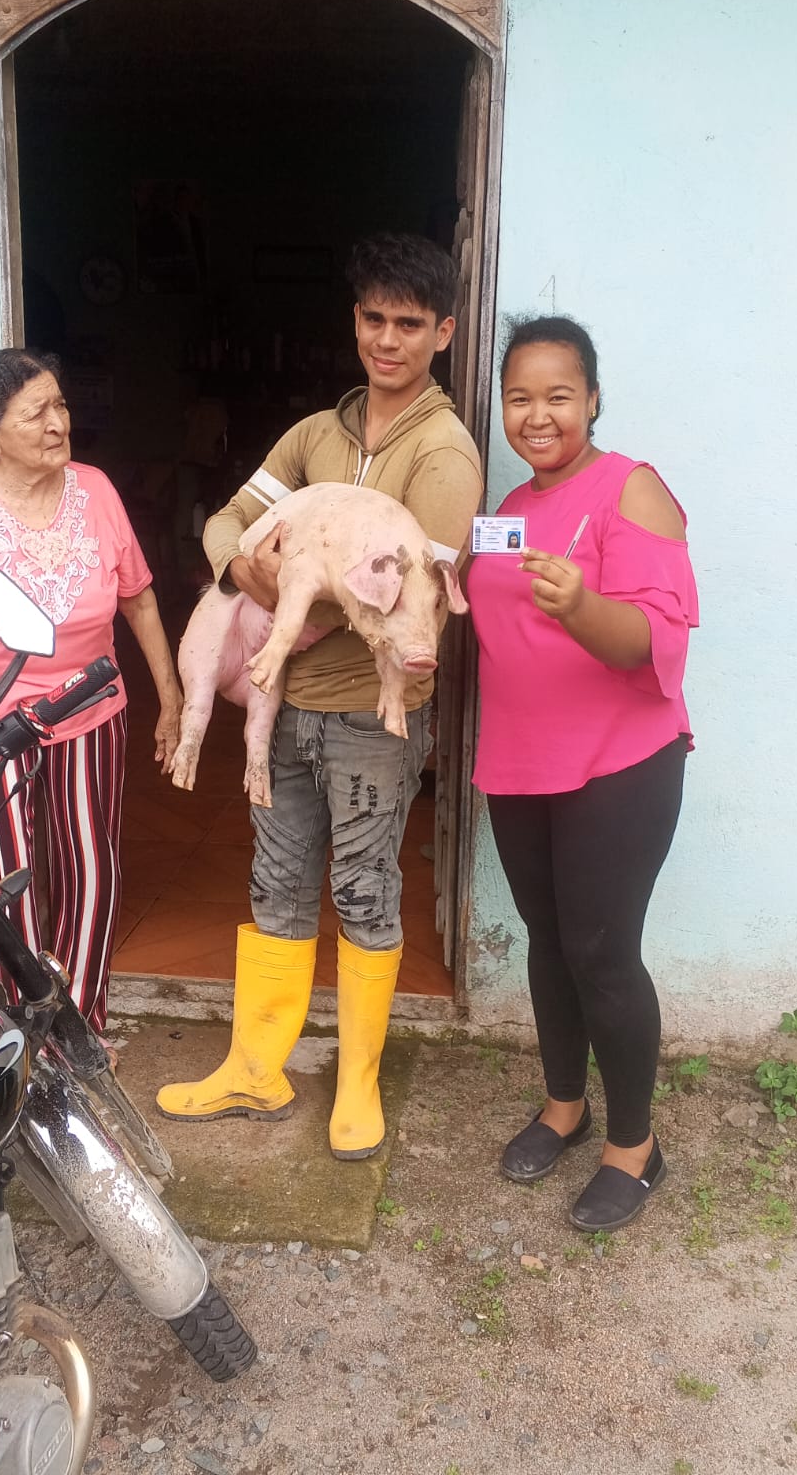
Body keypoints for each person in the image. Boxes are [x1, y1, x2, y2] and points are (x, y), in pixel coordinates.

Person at [156, 233, 484, 1159]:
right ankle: (255, 1068)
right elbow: (229, 518)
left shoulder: (445, 456)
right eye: (374, 318)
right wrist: (247, 571)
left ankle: (357, 1083)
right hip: (285, 701)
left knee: (364, 886)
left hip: (372, 717)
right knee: (278, 879)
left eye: (409, 324)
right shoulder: (313, 435)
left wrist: (290, 578)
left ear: (443, 333)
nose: (388, 339)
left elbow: (410, 605)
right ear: (355, 320)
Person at [467, 316, 698, 1232]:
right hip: (521, 759)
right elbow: (484, 613)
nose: (538, 415)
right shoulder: (507, 509)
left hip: (619, 762)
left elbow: (653, 639)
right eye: (519, 398)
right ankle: (565, 1106)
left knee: (602, 950)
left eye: (559, 396)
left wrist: (582, 606)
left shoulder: (631, 489)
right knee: (548, 939)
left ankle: (636, 1149)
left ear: (593, 399)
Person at [0, 348, 183, 1031]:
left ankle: (81, 1023)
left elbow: (139, 599)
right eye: (36, 414)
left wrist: (171, 699)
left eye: (60, 404)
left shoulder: (97, 490)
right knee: (6, 882)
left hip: (90, 711)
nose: (59, 423)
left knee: (93, 865)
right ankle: (22, 1026)